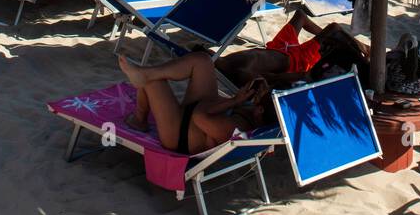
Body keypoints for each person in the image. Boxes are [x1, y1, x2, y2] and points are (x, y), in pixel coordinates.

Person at [119, 52, 271, 155]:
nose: (257, 94)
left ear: (260, 110)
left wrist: (233, 101)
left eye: (260, 95)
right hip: (197, 112)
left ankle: (140, 120)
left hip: (179, 133)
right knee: (202, 61)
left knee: (153, 82)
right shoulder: (253, 112)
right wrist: (237, 101)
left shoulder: (236, 128)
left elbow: (199, 115)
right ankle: (145, 73)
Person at [216, 8, 370, 89]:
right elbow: (274, 79)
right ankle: (363, 49)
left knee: (302, 16)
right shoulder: (242, 74)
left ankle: (355, 48)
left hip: (279, 48)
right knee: (335, 29)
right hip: (296, 62)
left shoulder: (221, 62)